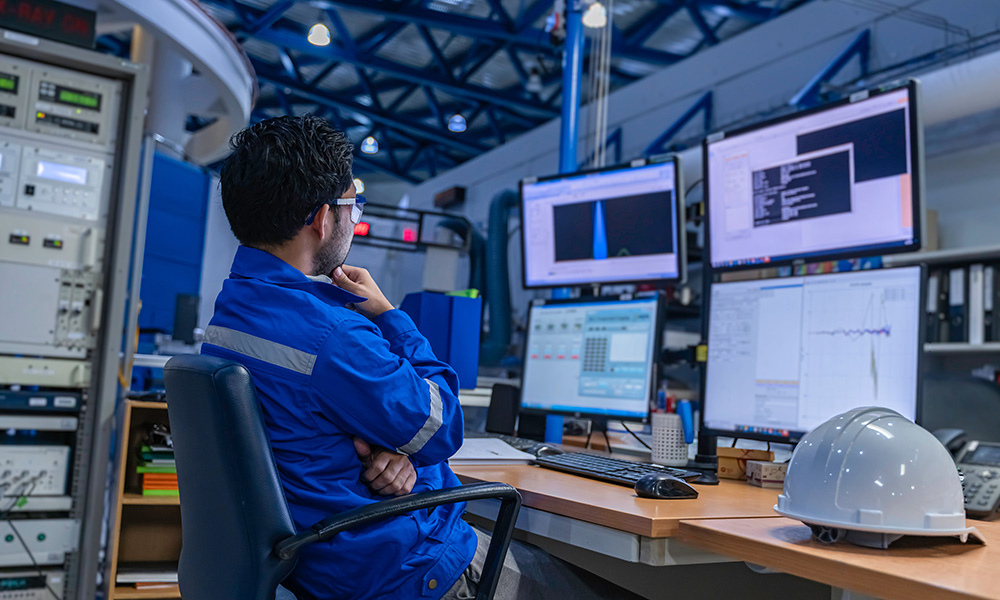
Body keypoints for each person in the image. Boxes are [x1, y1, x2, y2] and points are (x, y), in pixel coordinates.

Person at [202, 115, 643, 600]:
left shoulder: (231, 312)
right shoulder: (334, 334)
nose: (354, 217)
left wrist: (402, 454)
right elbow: (441, 426)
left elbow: (320, 430)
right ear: (322, 218)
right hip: (404, 571)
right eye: (353, 204)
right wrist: (391, 315)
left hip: (319, 566)